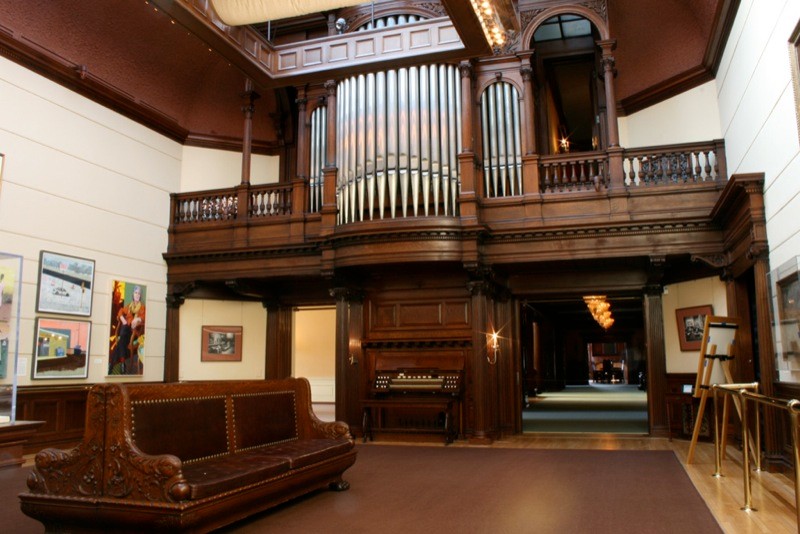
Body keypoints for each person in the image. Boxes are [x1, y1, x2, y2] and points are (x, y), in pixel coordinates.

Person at [110, 285, 145, 374]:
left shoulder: (142, 308)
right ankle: (122, 363)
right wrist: (122, 319)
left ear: (140, 296)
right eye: (135, 293)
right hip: (127, 331)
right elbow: (120, 311)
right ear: (133, 295)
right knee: (124, 332)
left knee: (122, 335)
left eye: (138, 293)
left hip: (135, 332)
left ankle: (111, 363)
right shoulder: (129, 306)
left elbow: (145, 317)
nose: (137, 295)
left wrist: (138, 319)